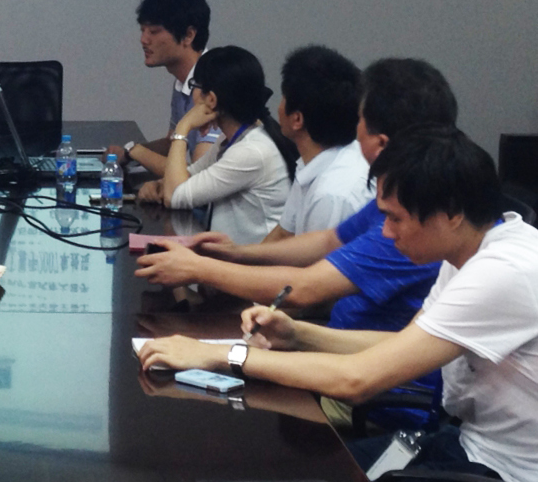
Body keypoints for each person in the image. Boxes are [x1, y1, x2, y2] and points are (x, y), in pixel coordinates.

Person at [138, 126, 538, 481]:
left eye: (396, 219)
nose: (386, 232)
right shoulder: (468, 251)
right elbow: (399, 344)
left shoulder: (501, 272)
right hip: (466, 445)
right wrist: (297, 334)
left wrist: (220, 355)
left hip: (503, 470)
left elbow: (356, 380)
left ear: (450, 214)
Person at [135, 57, 456, 428]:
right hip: (335, 354)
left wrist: (201, 275)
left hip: (368, 397)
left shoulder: (414, 224)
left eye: (360, 121)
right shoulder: (400, 197)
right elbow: (329, 240)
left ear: (381, 143)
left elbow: (307, 291)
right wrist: (236, 254)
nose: (354, 134)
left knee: (206, 416)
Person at [135, 45, 297, 244]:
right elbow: (190, 177)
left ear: (211, 99)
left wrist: (183, 128)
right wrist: (159, 184)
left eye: (194, 85)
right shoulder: (232, 139)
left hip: (252, 260)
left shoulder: (251, 151)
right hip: (231, 255)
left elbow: (174, 197)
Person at [111, 0, 222, 176]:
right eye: (142, 30)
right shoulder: (183, 82)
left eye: (153, 32)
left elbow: (199, 176)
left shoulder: (213, 84)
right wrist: (127, 153)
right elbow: (174, 142)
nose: (144, 40)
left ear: (188, 35)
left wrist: (135, 151)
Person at [265, 45, 369, 240]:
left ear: (297, 119)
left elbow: (313, 259)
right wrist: (236, 255)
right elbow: (283, 233)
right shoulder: (313, 163)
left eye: (283, 98)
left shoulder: (333, 195)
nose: (279, 107)